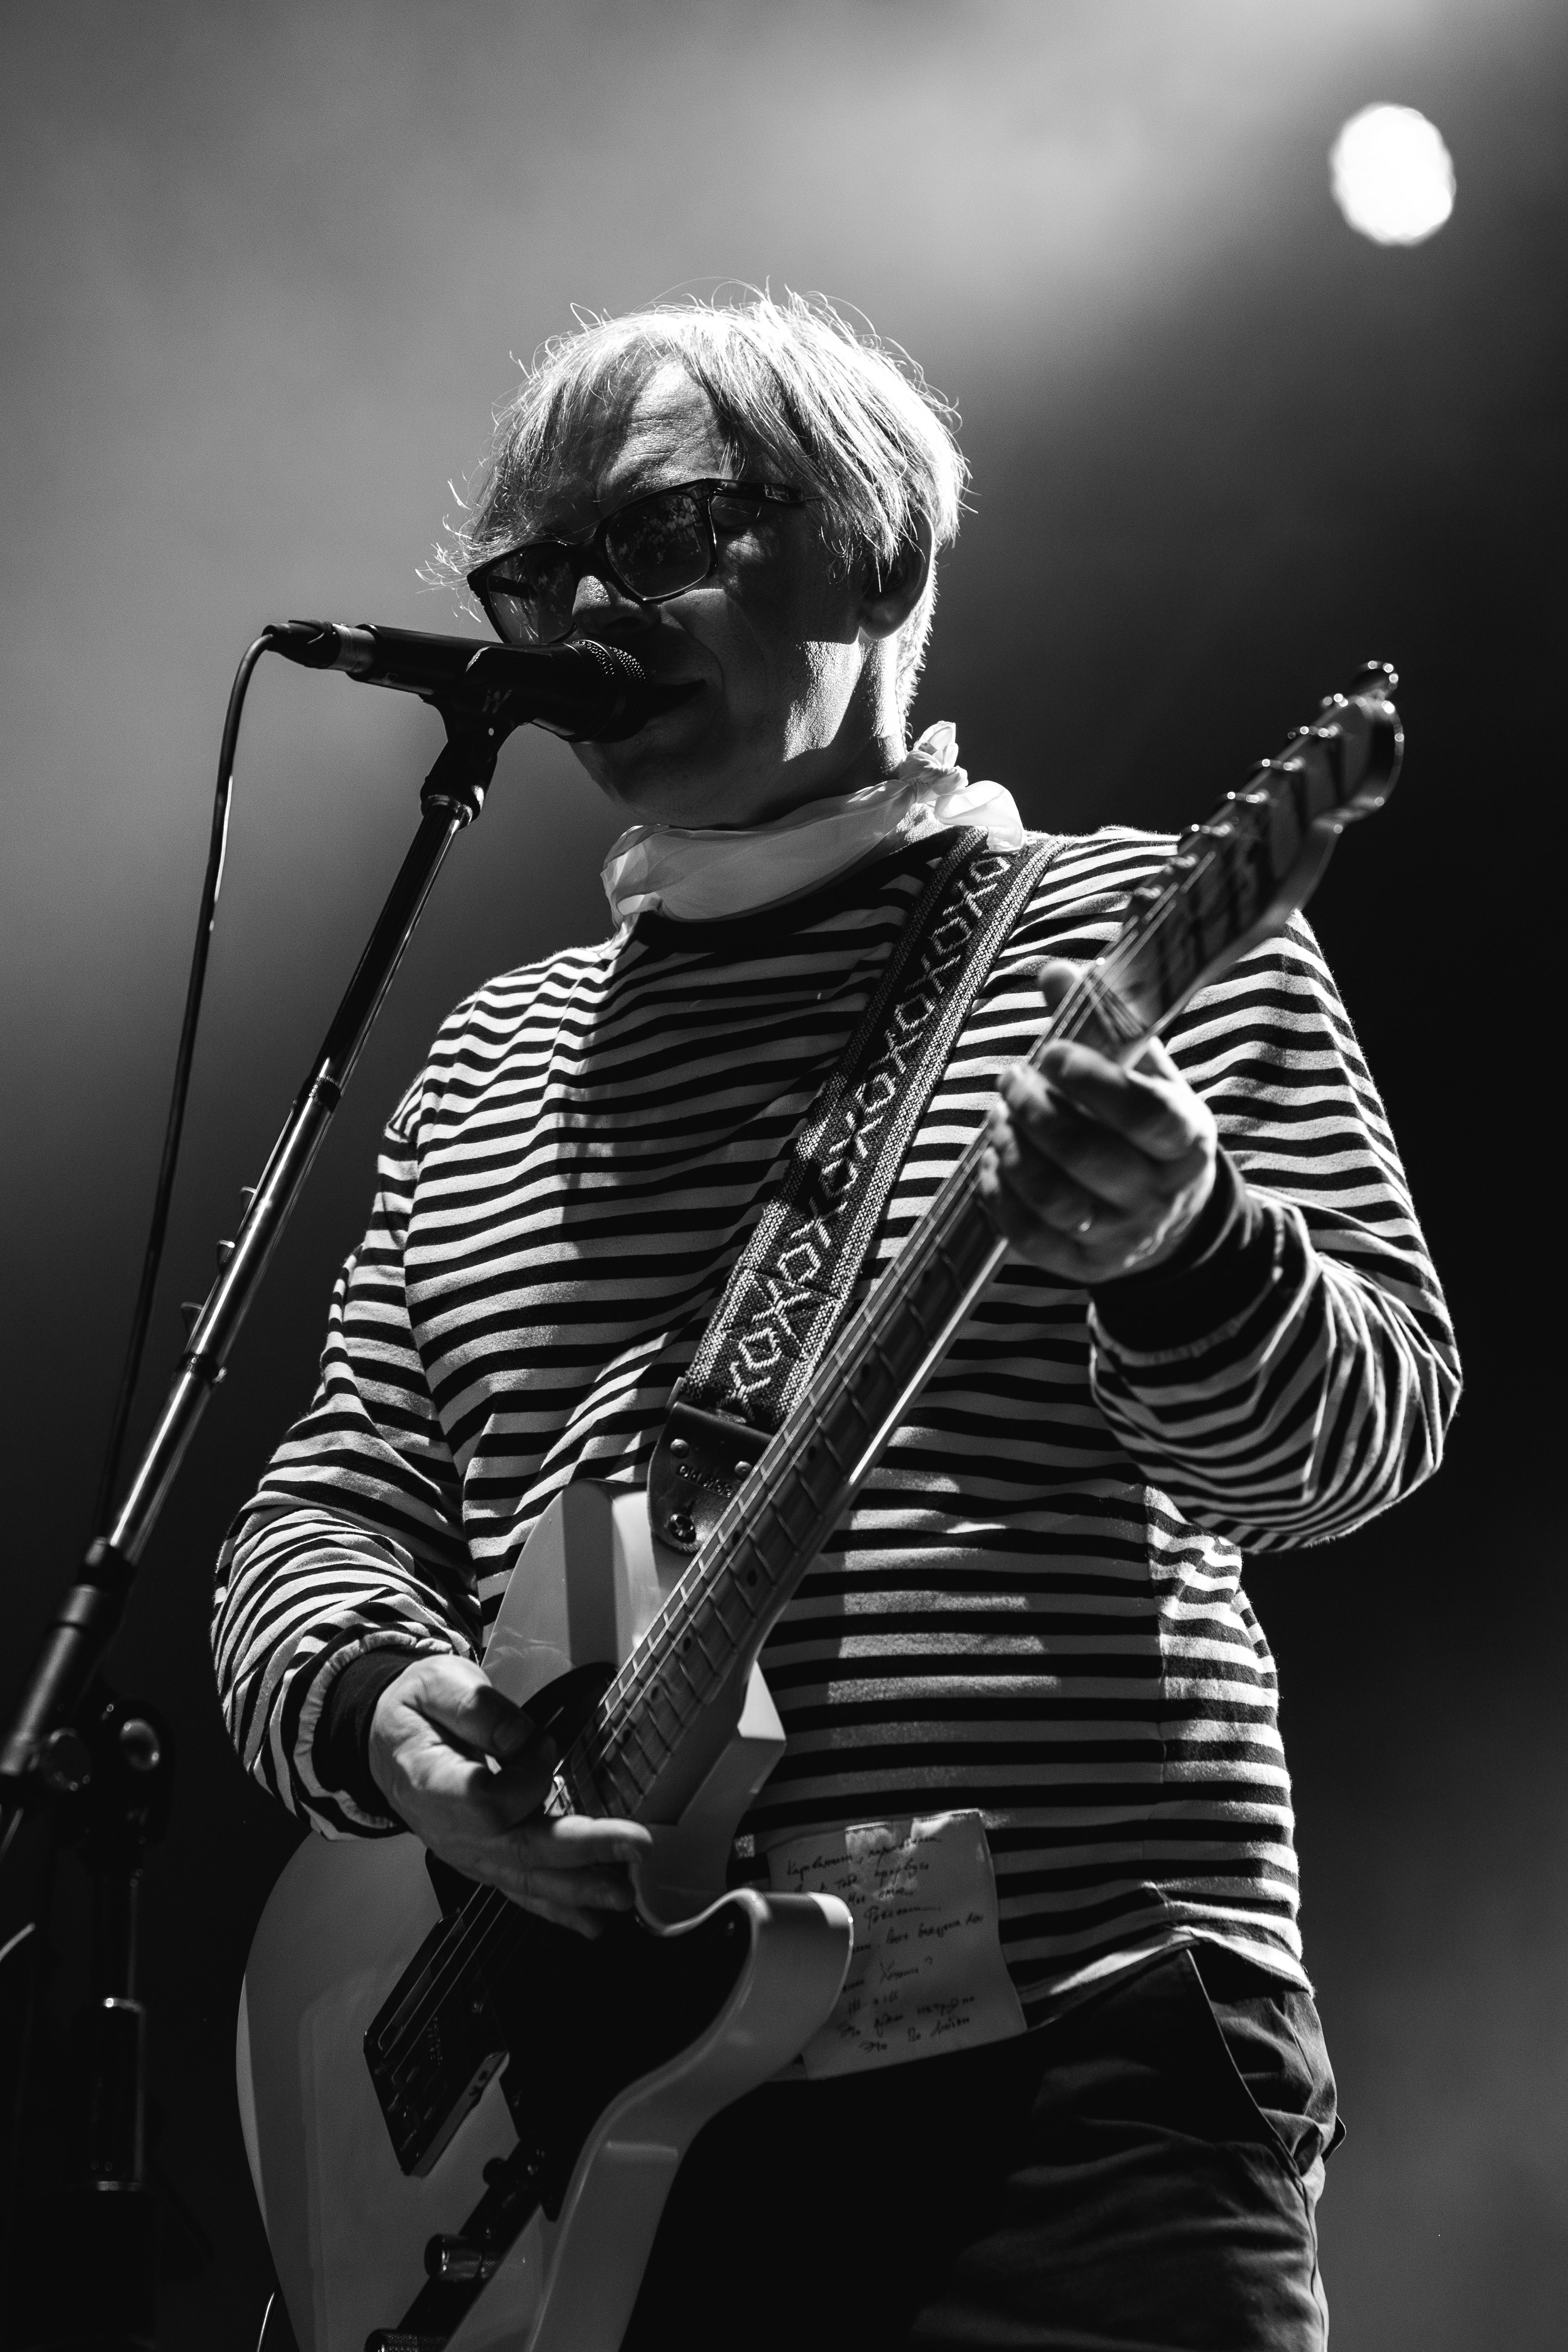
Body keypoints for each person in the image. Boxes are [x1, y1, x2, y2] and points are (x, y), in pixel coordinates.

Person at [213, 291, 1459, 2350]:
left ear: (875, 554)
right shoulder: (486, 1067)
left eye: (657, 534)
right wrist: (380, 1715)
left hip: (1076, 2076)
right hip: (596, 2128)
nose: (578, 611)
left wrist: (1182, 1246)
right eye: (532, 574)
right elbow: (324, 1506)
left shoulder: (1129, 935)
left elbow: (1353, 1444)